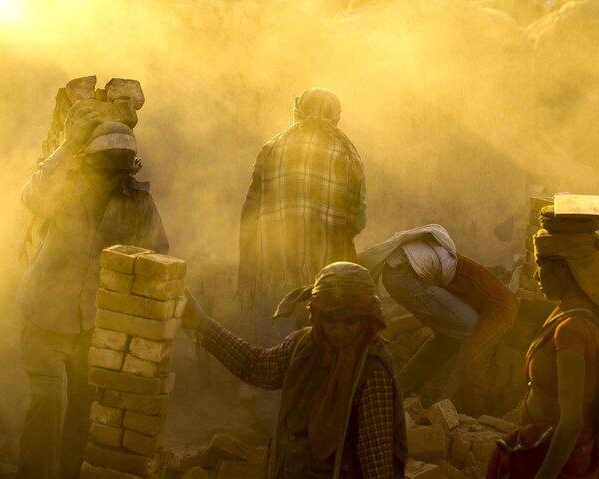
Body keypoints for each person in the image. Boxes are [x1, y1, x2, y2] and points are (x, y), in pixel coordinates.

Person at [17, 105, 169, 479]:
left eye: (118, 166)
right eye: (104, 164)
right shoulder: (66, 187)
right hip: (44, 314)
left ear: (129, 165)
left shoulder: (139, 202)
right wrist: (67, 144)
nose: (110, 175)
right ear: (88, 161)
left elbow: (158, 256)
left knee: (84, 411)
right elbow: (31, 196)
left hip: (95, 326)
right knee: (48, 401)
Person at [183, 262, 407, 479]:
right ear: (317, 315)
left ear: (367, 320)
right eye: (330, 320)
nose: (339, 329)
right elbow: (257, 366)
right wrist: (202, 323)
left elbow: (376, 462)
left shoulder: (372, 372)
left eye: (350, 322)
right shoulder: (304, 346)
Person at [487, 205, 599, 479]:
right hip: (543, 447)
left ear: (563, 268)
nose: (536, 276)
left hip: (554, 459)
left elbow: (571, 423)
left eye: (541, 265)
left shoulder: (572, 329)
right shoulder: (573, 313)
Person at [238, 88, 367, 346]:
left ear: (298, 110)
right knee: (318, 339)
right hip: (325, 267)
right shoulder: (346, 151)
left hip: (275, 262)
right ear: (336, 114)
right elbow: (357, 217)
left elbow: (251, 207)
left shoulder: (272, 146)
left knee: (276, 341)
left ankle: (278, 383)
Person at [358, 225, 518, 414]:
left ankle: (397, 391)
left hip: (398, 273)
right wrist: (476, 404)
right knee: (472, 332)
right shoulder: (506, 309)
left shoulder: (492, 291)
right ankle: (449, 409)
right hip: (408, 275)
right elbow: (476, 355)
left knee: (447, 339)